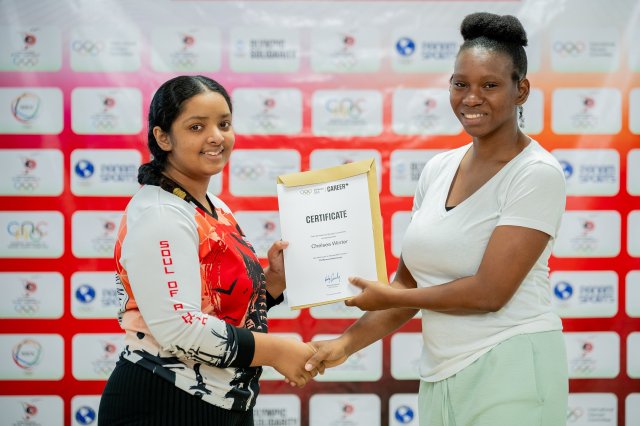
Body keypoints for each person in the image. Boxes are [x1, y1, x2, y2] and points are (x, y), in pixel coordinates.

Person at [305, 12, 568, 426]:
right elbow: (408, 285)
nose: (471, 98)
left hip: (513, 366)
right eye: (460, 84)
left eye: (490, 85)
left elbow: (489, 293)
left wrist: (392, 297)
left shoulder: (536, 173)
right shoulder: (438, 169)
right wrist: (345, 344)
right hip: (440, 374)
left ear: (521, 90)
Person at [98, 75, 316, 425]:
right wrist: (277, 351)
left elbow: (217, 306)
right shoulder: (161, 214)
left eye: (224, 124)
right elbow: (180, 327)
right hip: (165, 401)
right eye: (197, 127)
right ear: (163, 137)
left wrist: (274, 282)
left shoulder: (211, 204)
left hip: (222, 401)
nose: (216, 137)